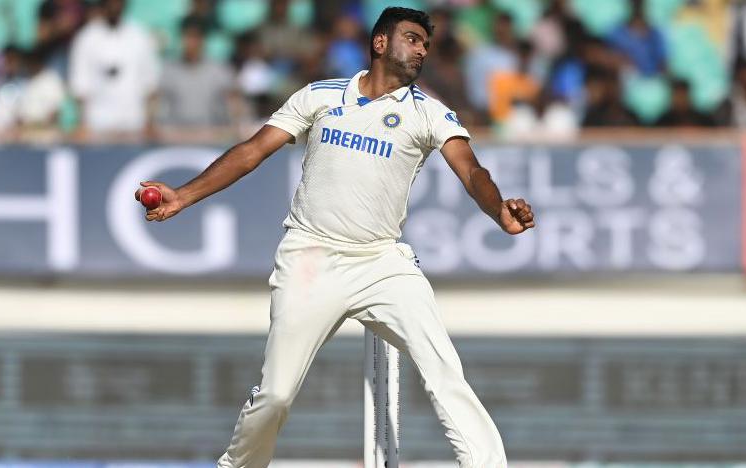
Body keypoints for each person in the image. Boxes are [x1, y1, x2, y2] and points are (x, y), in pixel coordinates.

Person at [135, 7, 534, 468]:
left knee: (444, 369)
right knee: (276, 395)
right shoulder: (320, 96)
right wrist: (183, 196)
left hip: (381, 262)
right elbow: (251, 151)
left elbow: (472, 170)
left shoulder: (429, 112)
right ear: (380, 43)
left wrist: (498, 208)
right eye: (412, 39)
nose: (421, 49)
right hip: (310, 256)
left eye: (425, 43)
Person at [68, 0, 160, 138]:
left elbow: (150, 84)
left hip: (134, 124)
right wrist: (83, 123)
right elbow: (80, 86)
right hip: (97, 125)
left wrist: (149, 122)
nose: (114, 5)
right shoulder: (87, 37)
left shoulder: (140, 36)